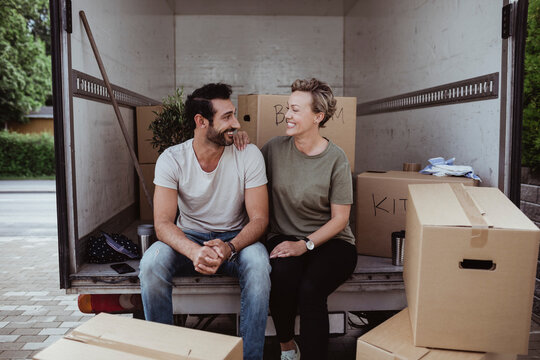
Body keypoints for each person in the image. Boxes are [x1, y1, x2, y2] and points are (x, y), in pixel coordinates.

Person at [138, 83, 271, 360]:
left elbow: (259, 219)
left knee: (259, 265)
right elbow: (163, 223)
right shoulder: (172, 159)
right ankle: (164, 355)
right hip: (188, 238)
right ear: (200, 121)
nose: (235, 123)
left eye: (234, 115)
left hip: (235, 239)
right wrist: (193, 251)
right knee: (151, 264)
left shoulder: (249, 154)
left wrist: (229, 247)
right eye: (226, 117)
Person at [261, 78, 357, 360]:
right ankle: (287, 348)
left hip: (331, 240)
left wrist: (305, 245)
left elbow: (341, 219)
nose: (288, 116)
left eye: (296, 110)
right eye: (288, 108)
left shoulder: (336, 158)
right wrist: (238, 139)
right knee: (282, 274)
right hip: (284, 234)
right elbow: (241, 165)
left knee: (311, 290)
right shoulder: (273, 149)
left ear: (318, 116)